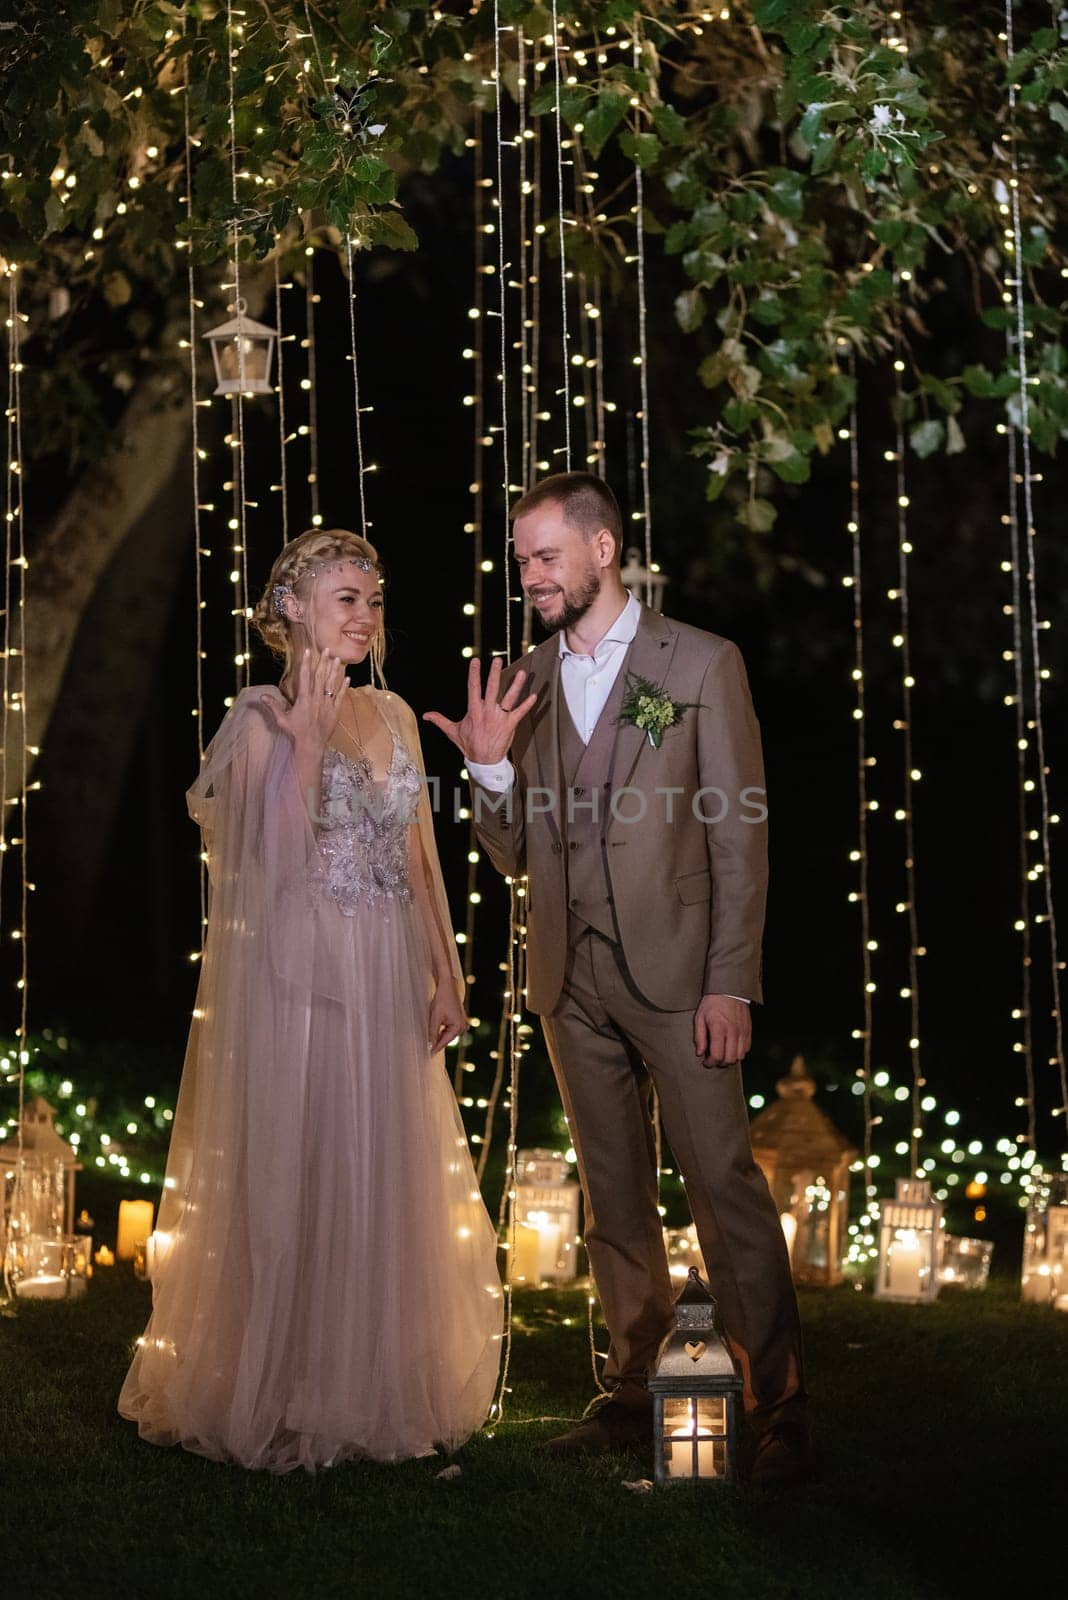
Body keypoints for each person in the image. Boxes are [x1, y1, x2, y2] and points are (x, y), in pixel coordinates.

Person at [424, 473, 809, 1485]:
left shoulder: (698, 664)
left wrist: (732, 981)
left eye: (545, 556)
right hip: (570, 977)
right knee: (613, 1198)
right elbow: (512, 855)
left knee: (723, 1187)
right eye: (521, 560)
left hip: (683, 979)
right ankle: (634, 1386)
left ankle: (779, 1407)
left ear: (603, 551)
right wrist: (493, 770)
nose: (530, 576)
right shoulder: (531, 680)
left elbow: (740, 834)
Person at [119, 528, 501, 1474]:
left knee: (382, 1158)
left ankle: (367, 1378)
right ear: (292, 610)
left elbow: (419, 855)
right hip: (301, 968)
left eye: (373, 600)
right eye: (346, 599)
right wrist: (295, 746)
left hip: (387, 961)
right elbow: (264, 868)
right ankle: (283, 1380)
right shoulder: (255, 717)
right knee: (305, 1153)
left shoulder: (397, 711)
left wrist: (445, 973)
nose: (366, 616)